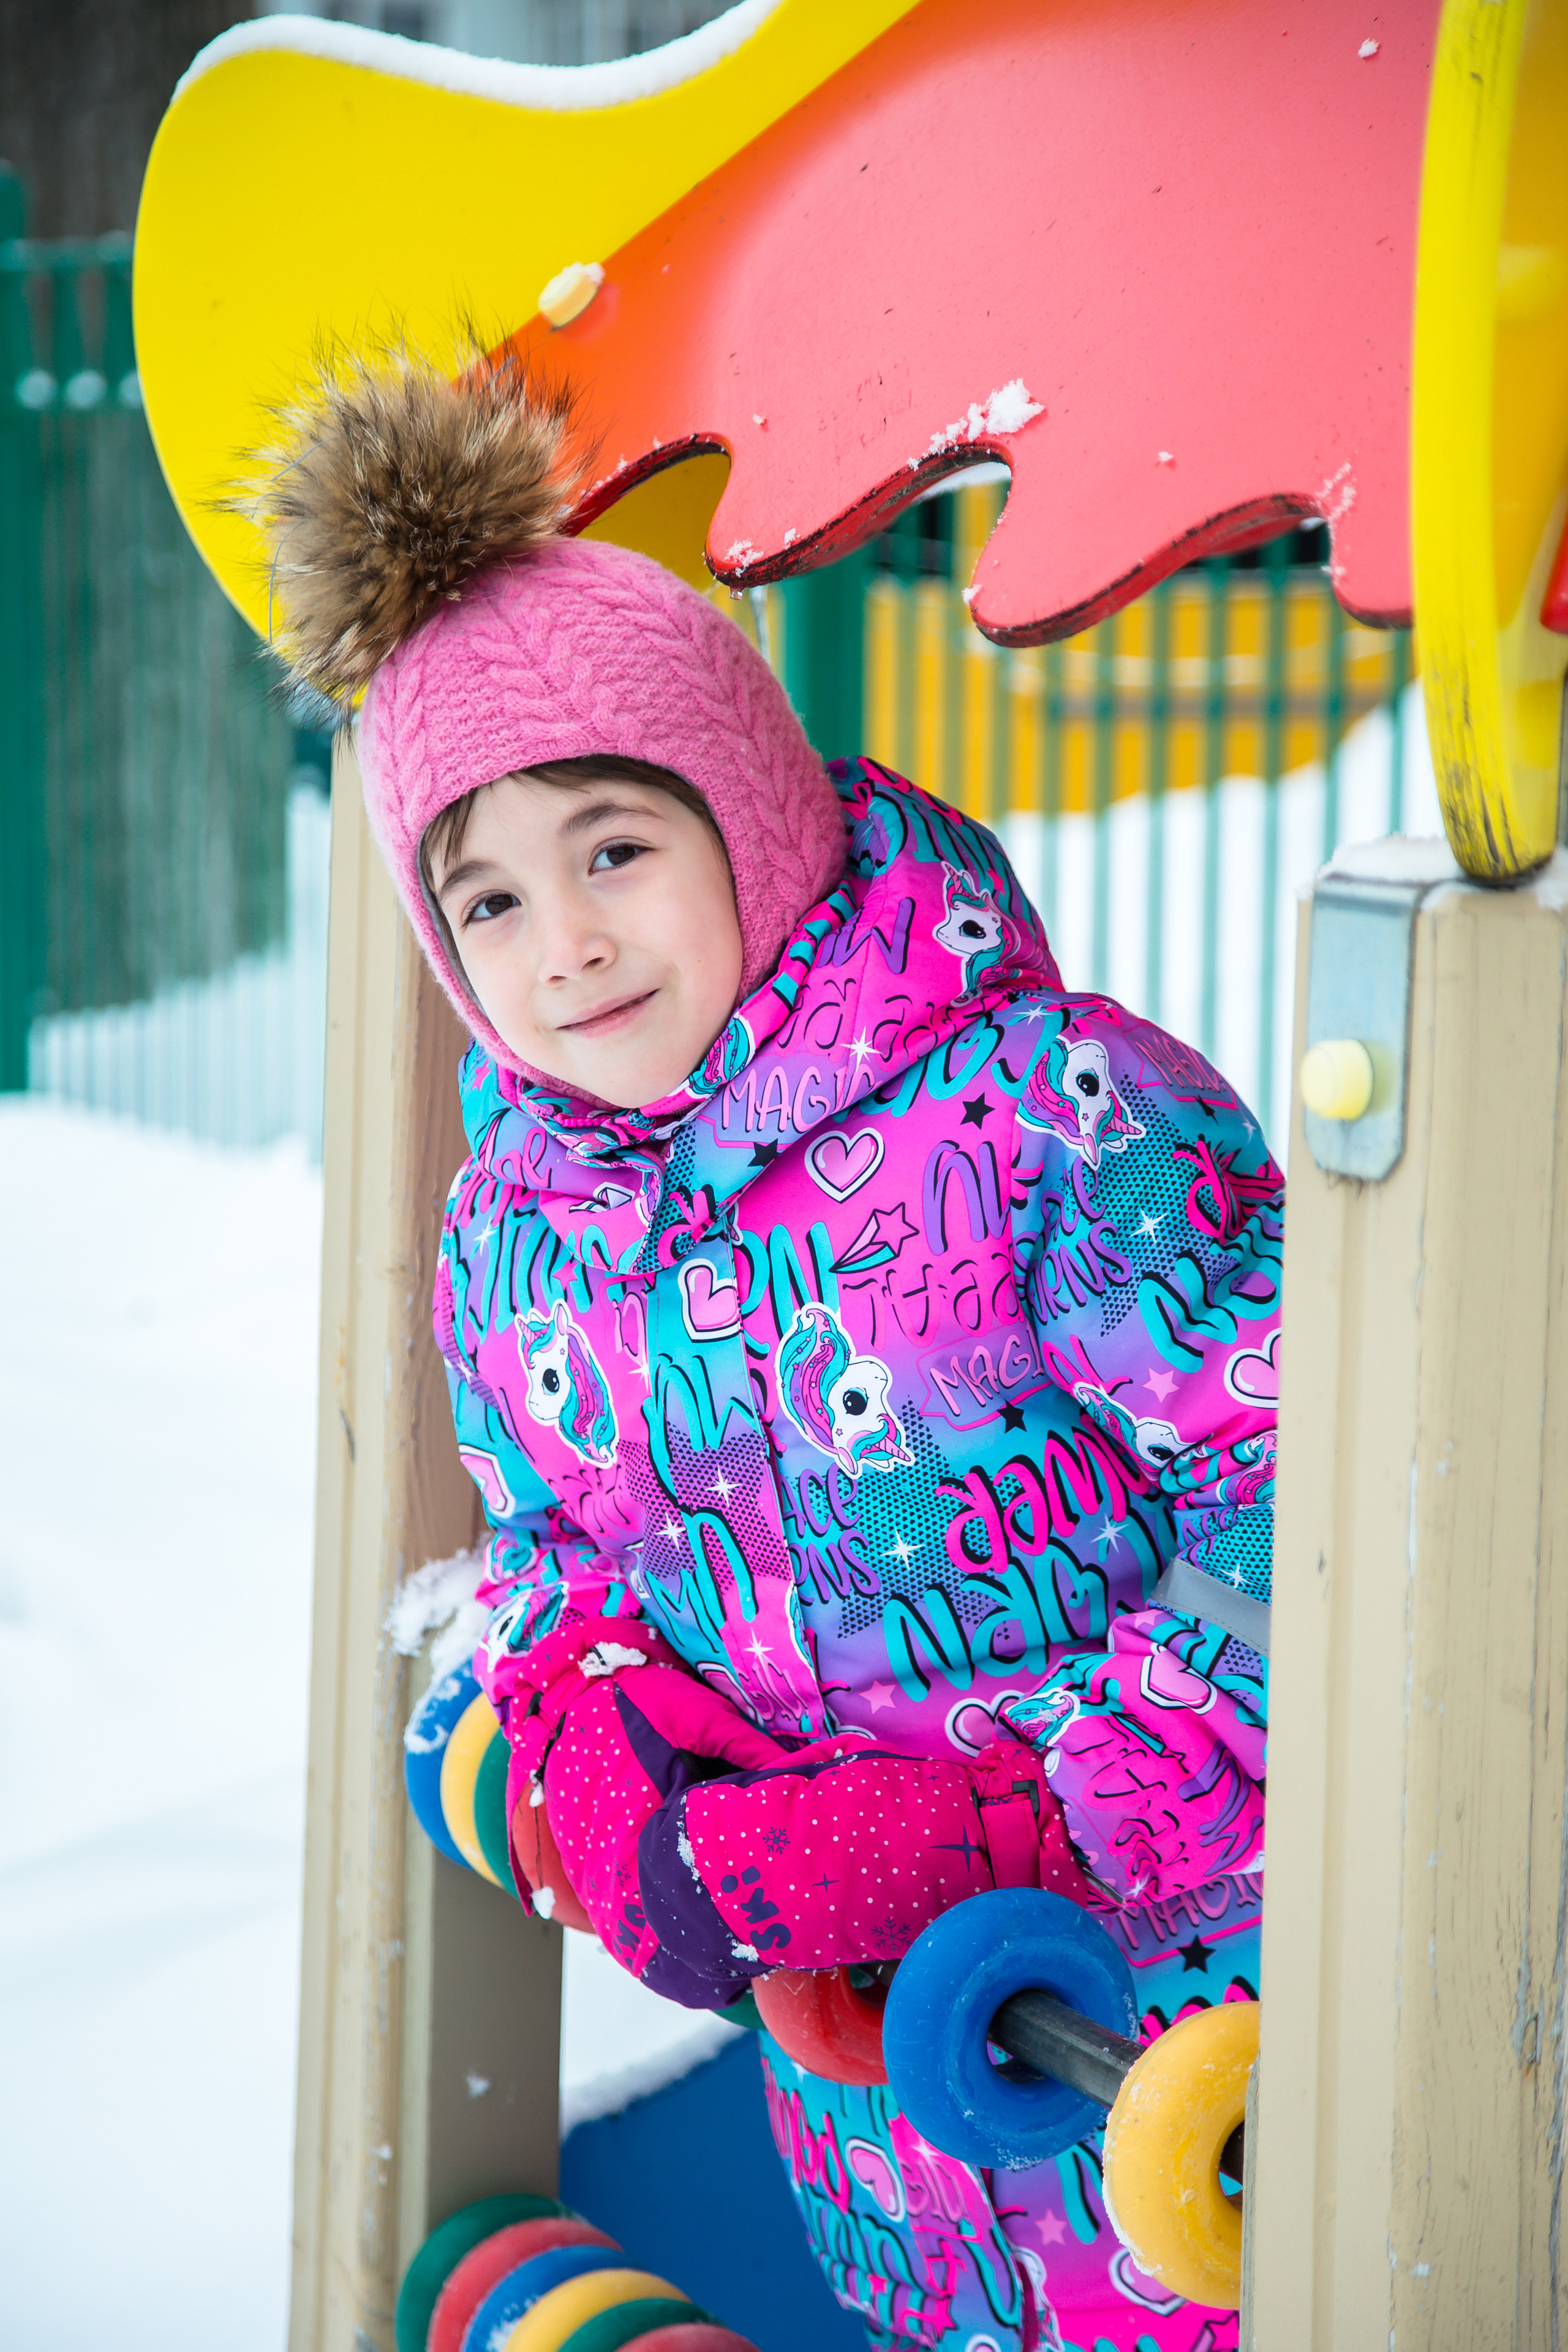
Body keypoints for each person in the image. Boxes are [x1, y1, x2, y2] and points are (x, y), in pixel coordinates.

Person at [254, 352, 1278, 2352]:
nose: (566, 944)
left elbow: (1305, 1518)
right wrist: (590, 1722)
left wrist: (1047, 1817)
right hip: (878, 2130)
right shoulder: (519, 1226)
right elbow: (551, 1536)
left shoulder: (1038, 1121)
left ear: (750, 810)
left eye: (616, 847)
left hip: (1197, 2075)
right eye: (491, 899)